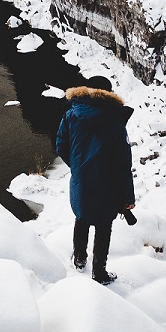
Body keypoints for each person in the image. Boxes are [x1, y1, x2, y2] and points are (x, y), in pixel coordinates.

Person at [53, 74, 135, 283]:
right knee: (104, 226)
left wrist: (79, 166)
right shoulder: (115, 122)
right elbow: (122, 164)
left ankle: (79, 258)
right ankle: (99, 272)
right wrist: (128, 196)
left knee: (82, 218)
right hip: (108, 184)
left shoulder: (71, 115)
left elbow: (61, 146)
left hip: (82, 181)